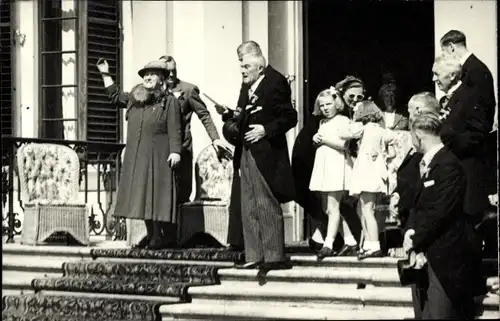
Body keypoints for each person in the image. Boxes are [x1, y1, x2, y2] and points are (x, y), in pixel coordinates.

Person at [220, 47, 297, 270]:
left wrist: (265, 129)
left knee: (265, 202)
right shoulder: (247, 85)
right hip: (246, 150)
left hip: (266, 152)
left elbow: (290, 116)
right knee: (249, 204)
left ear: (260, 67)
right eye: (241, 66)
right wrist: (228, 114)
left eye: (246, 66)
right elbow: (243, 114)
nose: (242, 70)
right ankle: (254, 255)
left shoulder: (275, 81)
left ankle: (274, 257)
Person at [96, 59, 182, 250]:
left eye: (153, 74)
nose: (148, 77)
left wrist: (176, 151)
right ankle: (152, 236)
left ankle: (162, 237)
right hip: (138, 156)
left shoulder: (169, 102)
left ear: (162, 79)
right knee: (142, 196)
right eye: (145, 74)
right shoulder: (135, 99)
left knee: (157, 196)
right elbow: (114, 96)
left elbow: (175, 128)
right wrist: (105, 73)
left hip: (159, 156)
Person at [403, 111, 481, 319]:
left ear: (419, 136)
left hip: (444, 256)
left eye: (411, 136)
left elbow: (440, 211)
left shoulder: (448, 165)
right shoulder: (428, 163)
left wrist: (415, 239)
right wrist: (410, 232)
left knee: (439, 313)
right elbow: (418, 205)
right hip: (423, 254)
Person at [158, 55, 227, 205]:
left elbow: (204, 115)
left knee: (181, 195)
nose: (171, 75)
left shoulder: (188, 90)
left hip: (182, 149)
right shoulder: (155, 91)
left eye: (174, 71)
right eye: (167, 71)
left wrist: (215, 138)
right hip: (160, 150)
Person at [432, 55, 491, 226]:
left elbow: (478, 133)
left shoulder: (471, 96)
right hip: (451, 173)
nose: (434, 79)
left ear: (452, 75)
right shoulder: (445, 100)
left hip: (466, 172)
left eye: (437, 74)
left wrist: (448, 142)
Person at [340, 100, 396, 259]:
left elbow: (345, 134)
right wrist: (382, 154)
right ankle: (368, 244)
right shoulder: (381, 130)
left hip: (366, 172)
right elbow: (392, 141)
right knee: (365, 209)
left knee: (367, 211)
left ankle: (374, 245)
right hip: (377, 172)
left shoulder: (364, 129)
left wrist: (352, 123)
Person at [308, 87, 354, 259]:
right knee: (328, 208)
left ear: (336, 103)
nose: (325, 108)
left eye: (328, 104)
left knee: (333, 207)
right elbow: (320, 141)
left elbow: (344, 145)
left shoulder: (343, 120)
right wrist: (315, 140)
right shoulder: (323, 123)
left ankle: (328, 243)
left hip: (337, 166)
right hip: (324, 166)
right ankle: (349, 240)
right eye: (322, 106)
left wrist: (324, 140)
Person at [440, 30, 496, 129]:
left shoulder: (475, 70)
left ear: (451, 47)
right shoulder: (472, 66)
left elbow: (479, 109)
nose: (444, 58)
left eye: (444, 52)